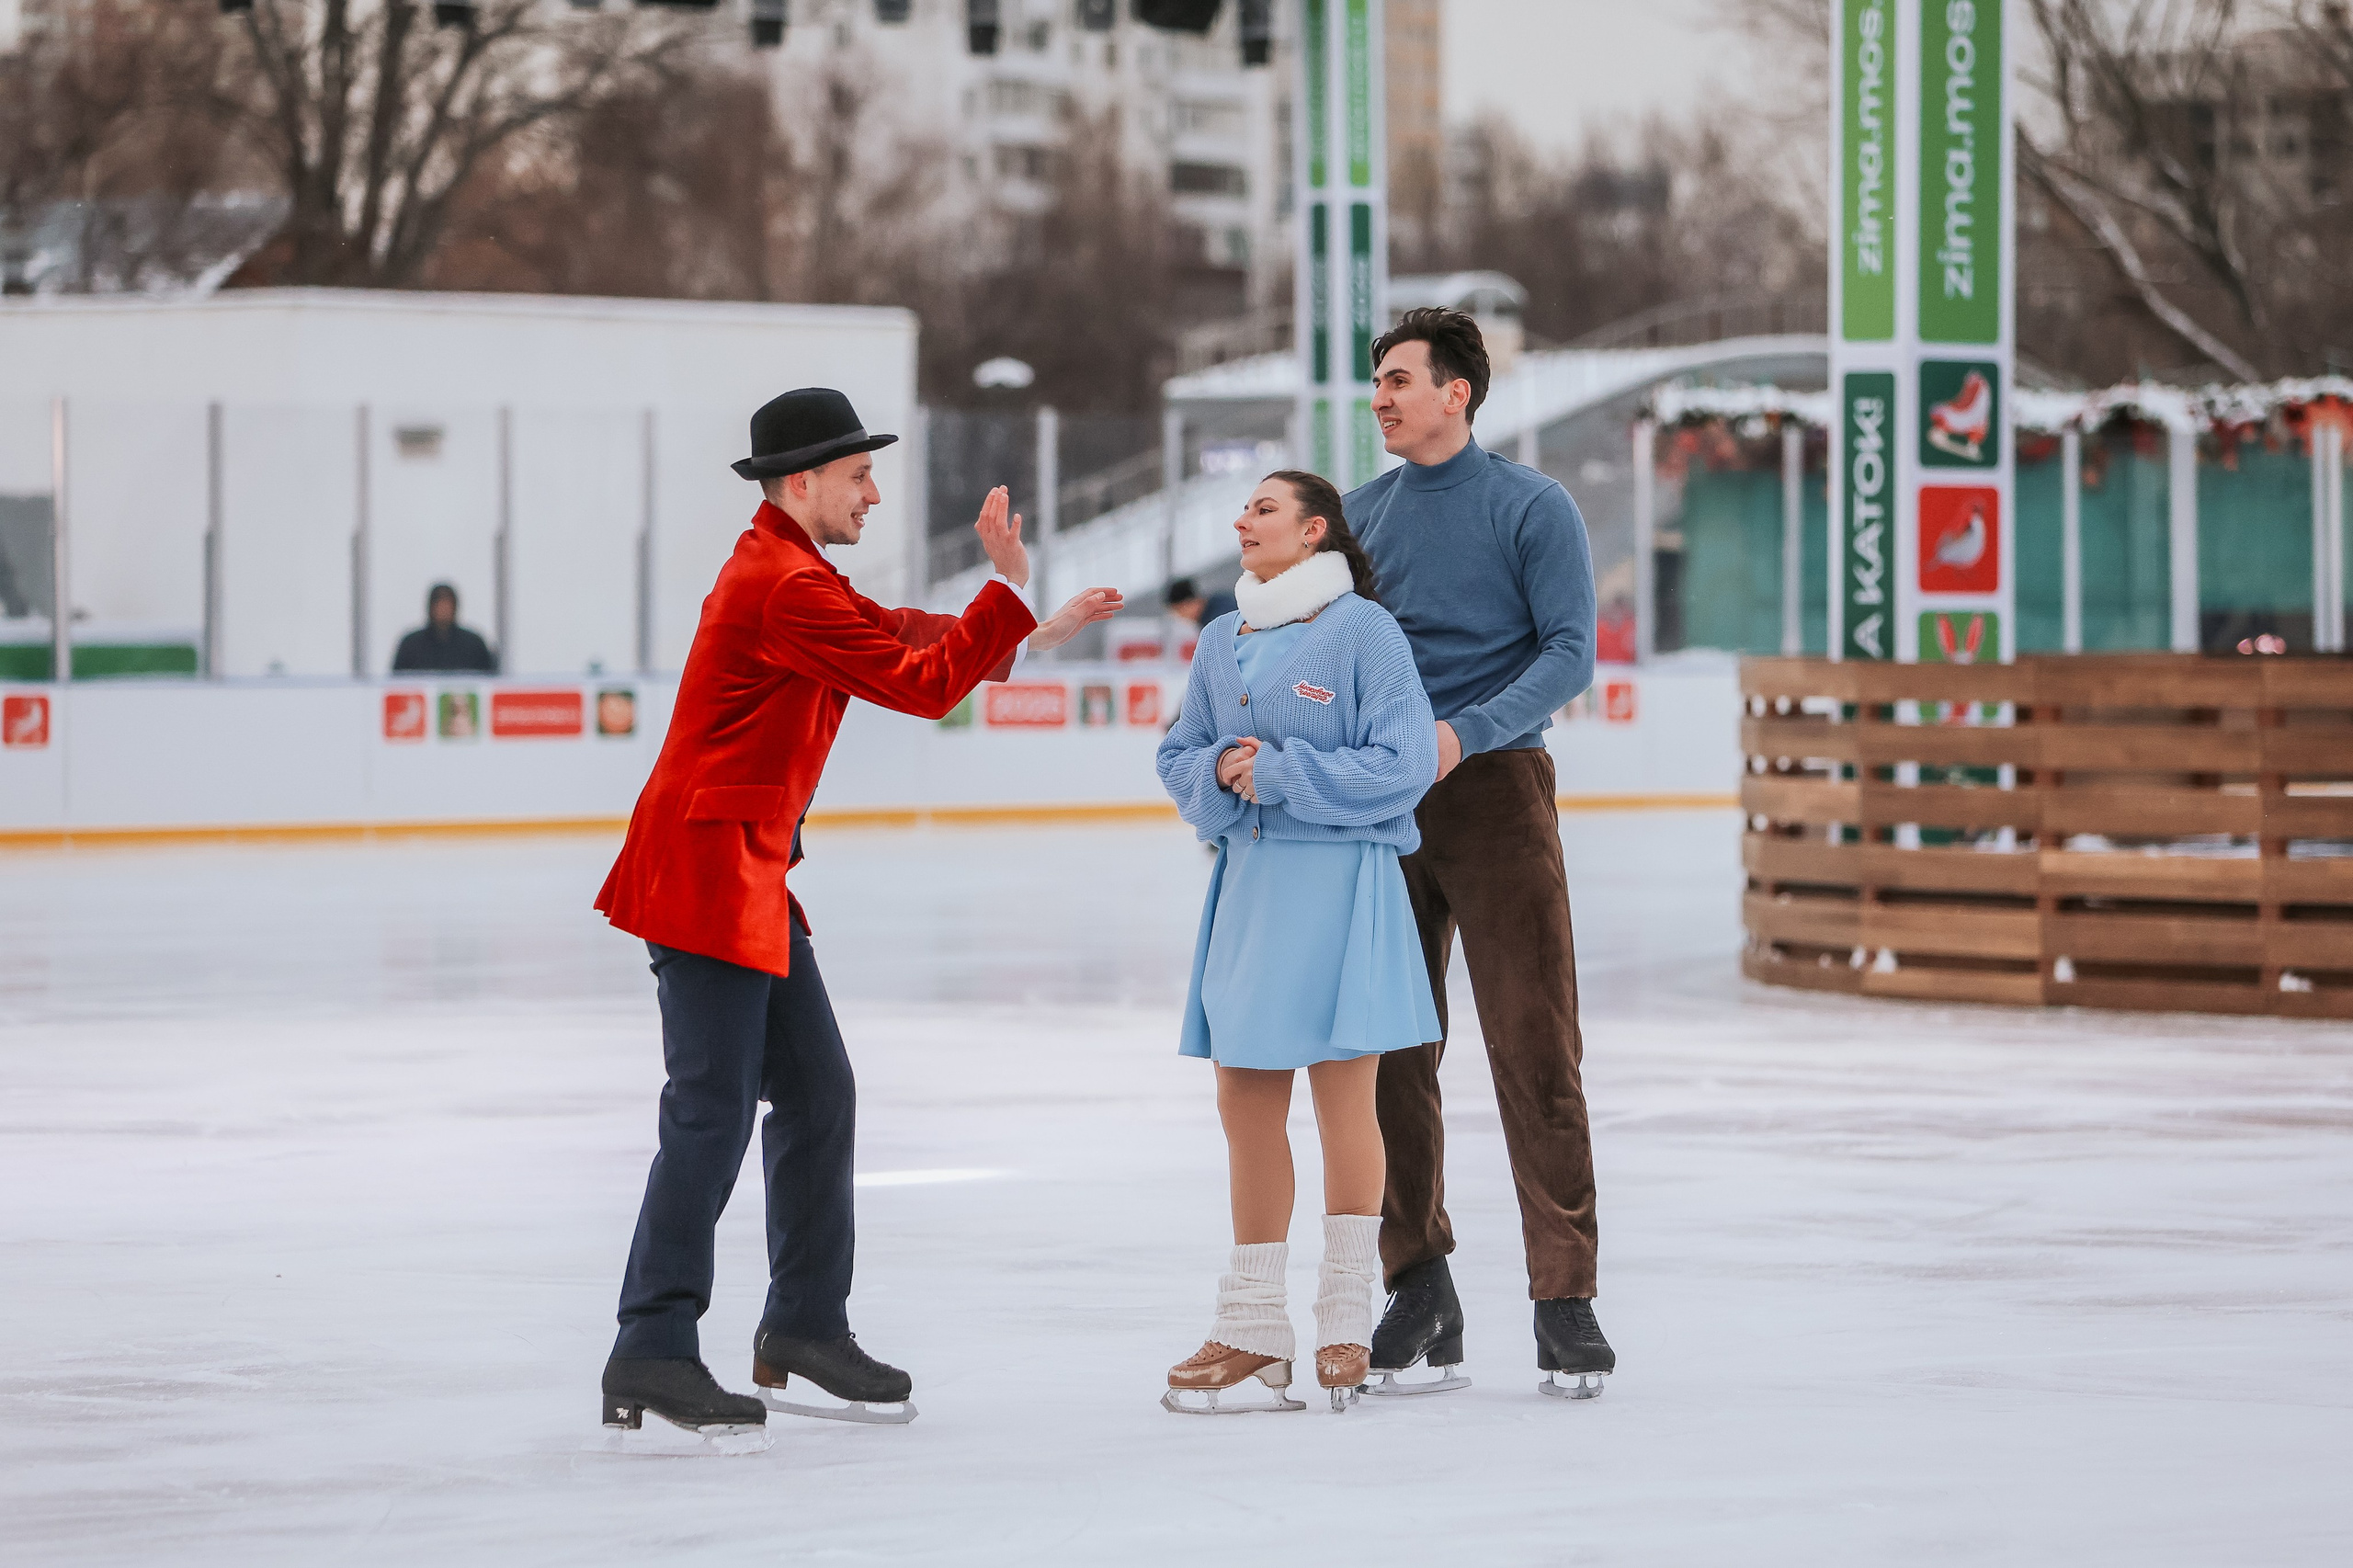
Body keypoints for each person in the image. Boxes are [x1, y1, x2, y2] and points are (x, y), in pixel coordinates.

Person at [592, 388, 1120, 1453]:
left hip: (743, 871)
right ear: (803, 484)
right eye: (859, 476)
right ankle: (651, 1340)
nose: (874, 493)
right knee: (710, 1110)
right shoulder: (778, 585)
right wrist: (1004, 596)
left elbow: (893, 633)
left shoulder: (793, 575)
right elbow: (918, 679)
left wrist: (1024, 624)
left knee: (817, 1089)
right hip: (704, 873)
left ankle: (802, 1320)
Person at [1345, 306, 1613, 1400]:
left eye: (1400, 378)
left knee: (1532, 1043)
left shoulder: (1530, 507)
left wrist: (1466, 731)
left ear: (1458, 391)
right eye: (1377, 380)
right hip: (1379, 805)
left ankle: (1565, 1294)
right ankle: (1418, 1283)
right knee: (1391, 1053)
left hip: (1496, 794)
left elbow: (1569, 653)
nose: (1382, 395)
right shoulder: (1357, 518)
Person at [1154, 471, 1440, 1415]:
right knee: (1243, 1094)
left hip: (1341, 882)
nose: (1242, 519)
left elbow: (1400, 764)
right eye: (1242, 508)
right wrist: (1220, 770)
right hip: (1252, 887)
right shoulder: (1219, 639)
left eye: (1263, 507)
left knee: (1343, 1093)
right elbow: (1179, 750)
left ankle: (1344, 1311)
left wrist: (1274, 770)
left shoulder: (1362, 630)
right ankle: (1250, 1320)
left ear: (1313, 529)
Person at [391, 583, 499, 673]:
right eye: (439, 605)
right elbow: (398, 683)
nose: (443, 610)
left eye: (447, 605)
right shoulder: (411, 644)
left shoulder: (474, 644)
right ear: (430, 607)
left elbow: (488, 682)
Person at [1165, 576, 1238, 645]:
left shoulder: (1218, 617)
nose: (1180, 616)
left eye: (1180, 609)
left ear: (1191, 601)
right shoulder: (1211, 611)